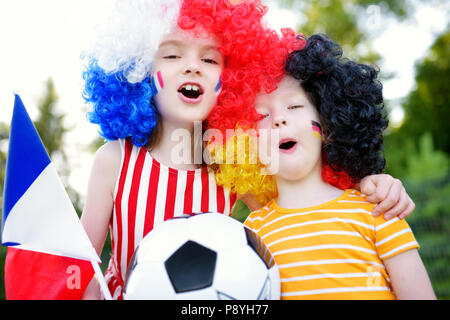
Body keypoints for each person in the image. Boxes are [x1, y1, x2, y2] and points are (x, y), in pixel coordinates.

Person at [80, 0, 416, 299]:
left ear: (230, 82)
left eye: (210, 58)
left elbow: (301, 206)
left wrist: (371, 184)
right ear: (137, 71)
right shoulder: (115, 160)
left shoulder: (229, 164)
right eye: (171, 54)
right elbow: (82, 262)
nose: (193, 66)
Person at [244, 34, 436, 299]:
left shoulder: (378, 209)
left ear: (326, 125)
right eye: (261, 116)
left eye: (294, 105)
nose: (278, 120)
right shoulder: (250, 234)